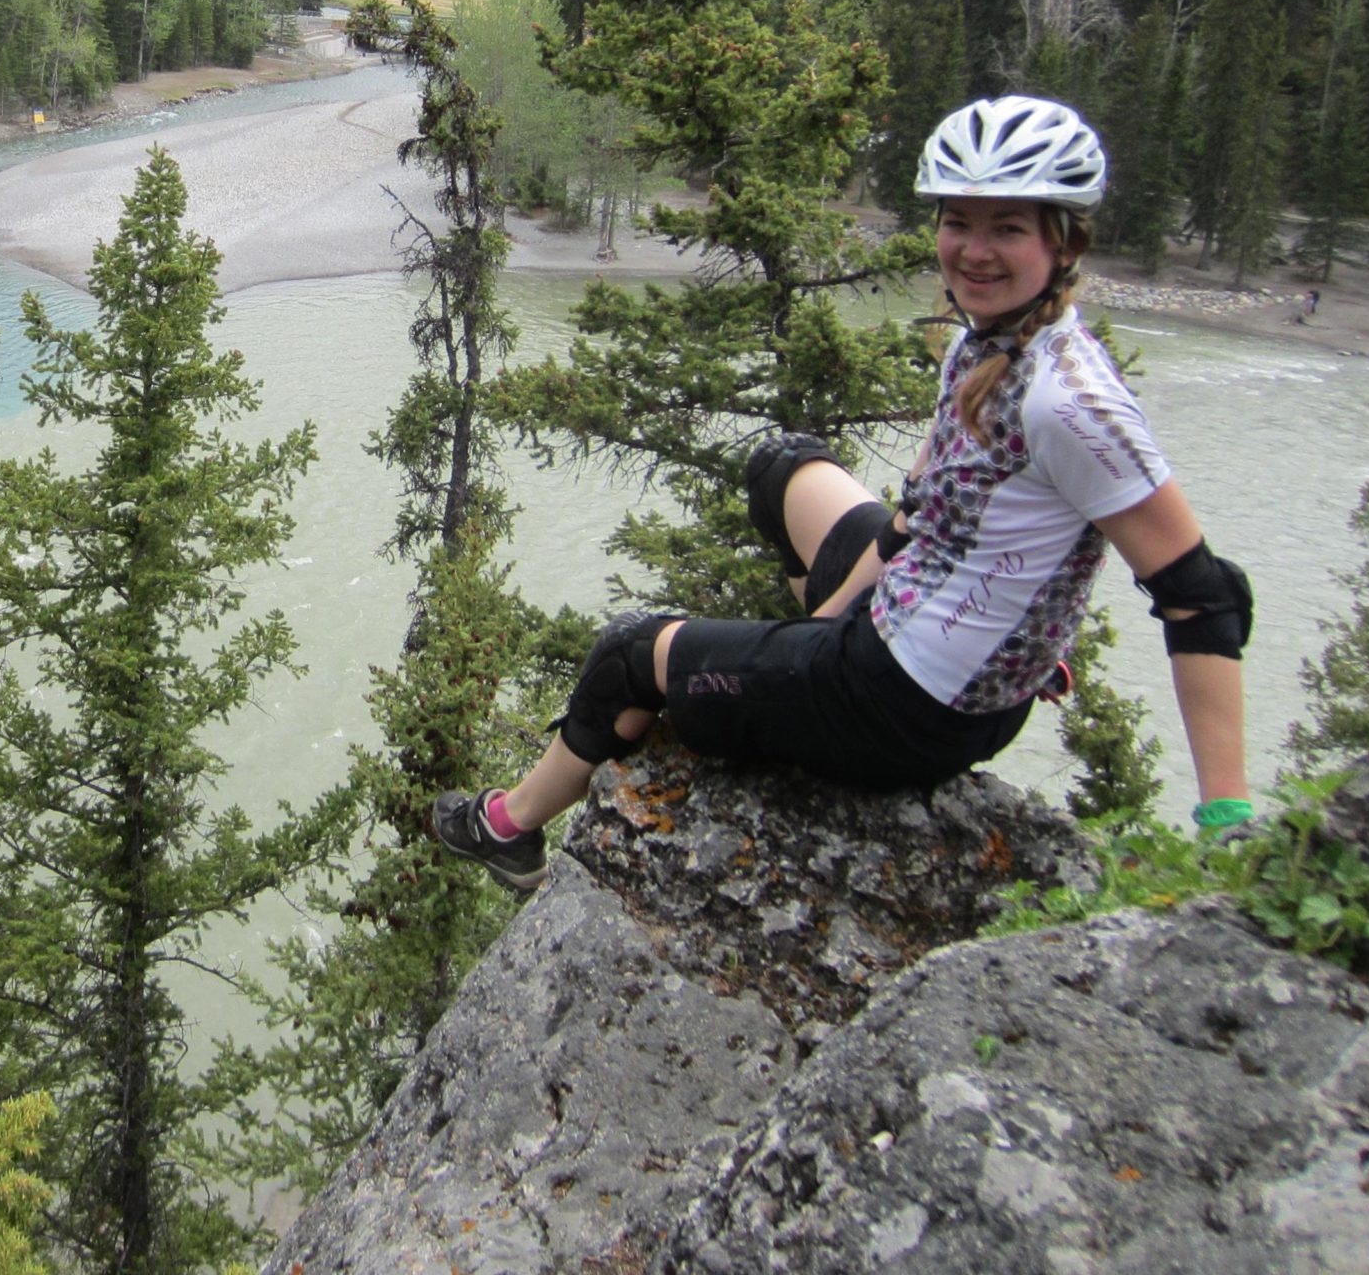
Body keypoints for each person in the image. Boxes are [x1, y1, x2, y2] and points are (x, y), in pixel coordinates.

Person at [434, 96, 1256, 892]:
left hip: (909, 704)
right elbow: (919, 515)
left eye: (1007, 228)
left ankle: (507, 830)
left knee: (627, 655)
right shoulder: (992, 341)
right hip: (913, 626)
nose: (973, 250)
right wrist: (822, 628)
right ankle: (802, 668)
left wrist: (1226, 820)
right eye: (958, 222)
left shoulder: (1067, 402)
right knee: (783, 468)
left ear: (1065, 242)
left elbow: (1203, 598)